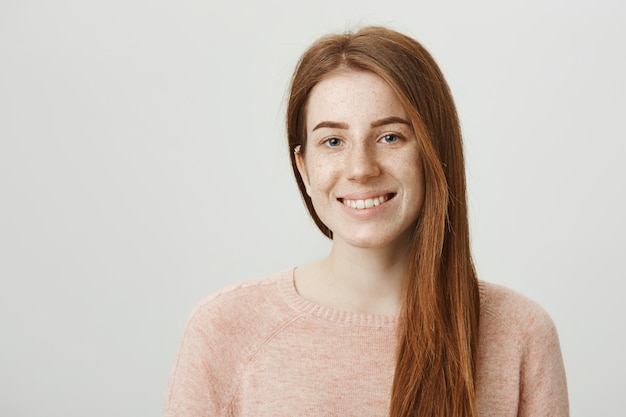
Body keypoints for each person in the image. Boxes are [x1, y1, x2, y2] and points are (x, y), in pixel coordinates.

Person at [163, 26, 569, 417]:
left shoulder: (520, 333)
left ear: (434, 153)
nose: (360, 168)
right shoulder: (224, 329)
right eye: (333, 141)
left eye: (390, 137)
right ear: (303, 167)